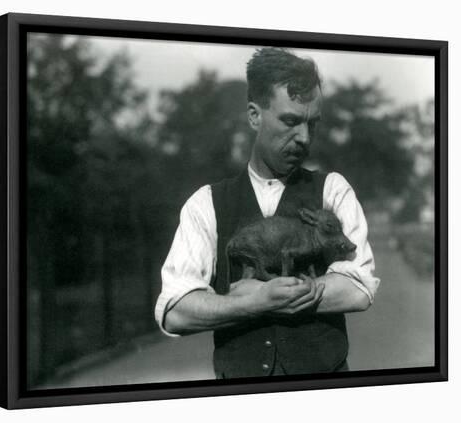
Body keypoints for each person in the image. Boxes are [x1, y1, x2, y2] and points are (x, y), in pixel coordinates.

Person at [154, 48, 380, 378]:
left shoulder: (332, 190)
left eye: (312, 123)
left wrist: (252, 296)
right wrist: (256, 302)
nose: (304, 138)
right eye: (290, 121)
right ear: (254, 116)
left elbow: (359, 288)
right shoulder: (206, 203)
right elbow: (175, 311)